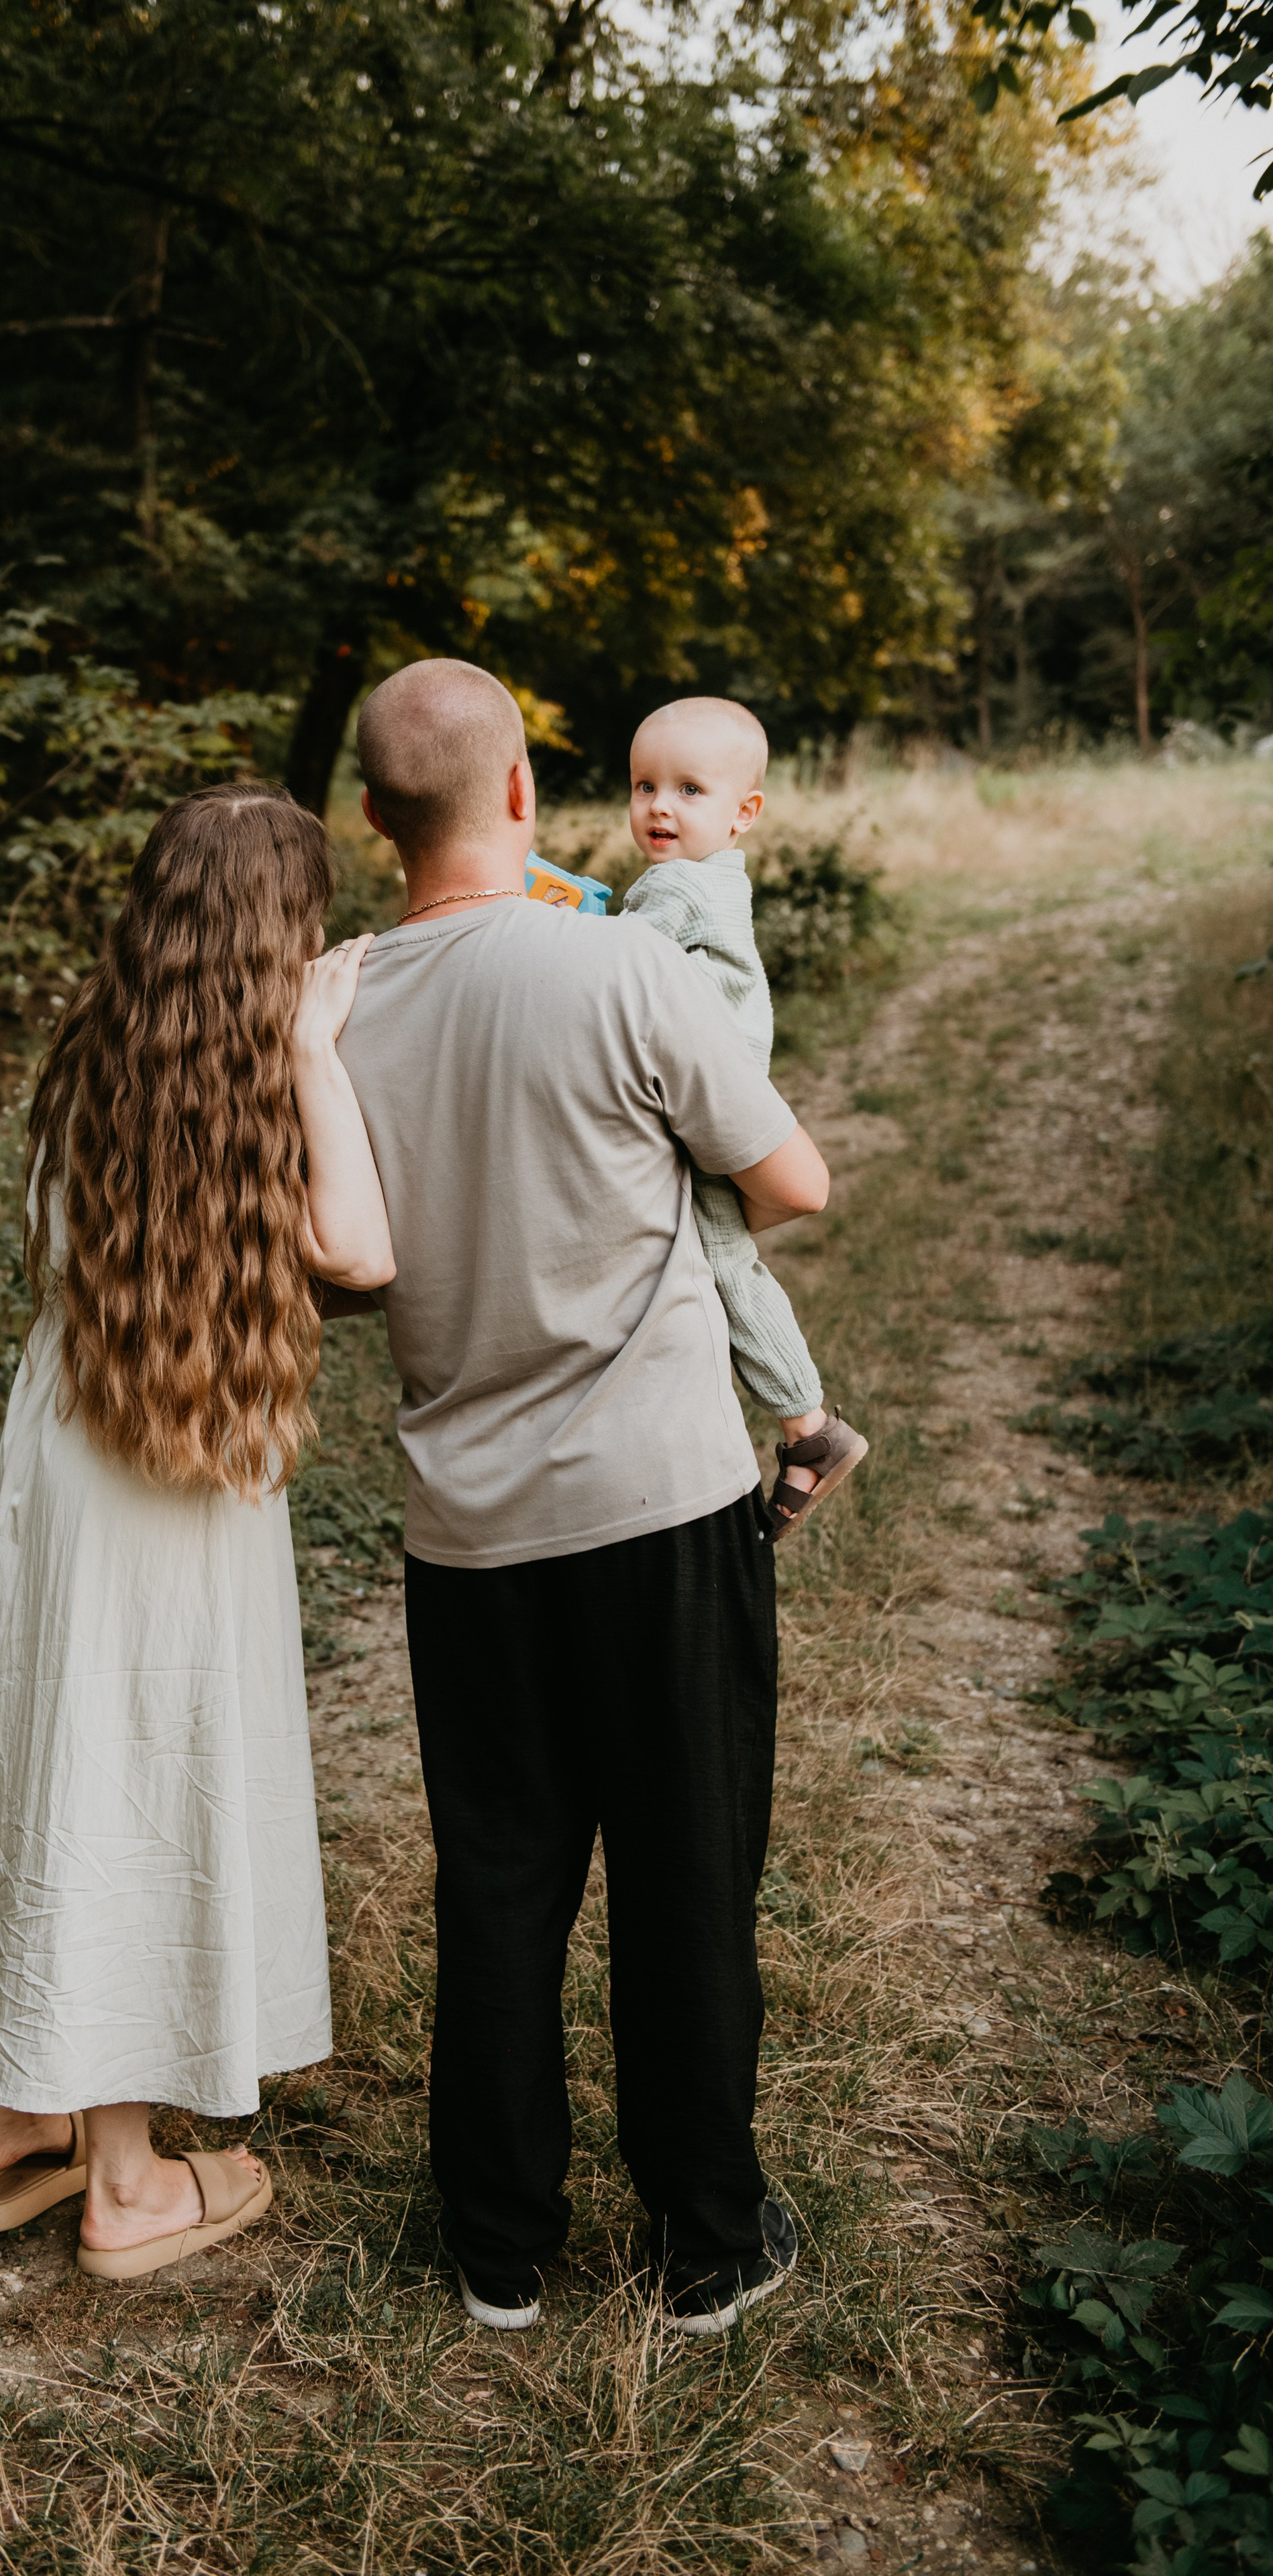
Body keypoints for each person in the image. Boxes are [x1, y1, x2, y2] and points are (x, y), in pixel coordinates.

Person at [334, 661, 830, 2338]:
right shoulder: (621, 960)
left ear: (372, 817)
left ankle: (496, 2243)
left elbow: (341, 1270)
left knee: (498, 1882)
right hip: (660, 1504)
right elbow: (789, 1179)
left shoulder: (336, 1006)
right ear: (527, 797)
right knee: (684, 1875)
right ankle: (704, 2239)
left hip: (462, 1533)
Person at [0, 784, 395, 2282]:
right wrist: (318, 1051)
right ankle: (128, 2184)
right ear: (287, 930)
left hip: (66, 1452)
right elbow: (360, 1251)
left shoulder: (101, 1039)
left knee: (69, 1765)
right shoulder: (263, 1068)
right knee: (138, 1788)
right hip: (167, 1493)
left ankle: (23, 2110)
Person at [622, 695, 867, 1538]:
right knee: (716, 1256)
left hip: (704, 1110)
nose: (659, 805)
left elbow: (619, 973)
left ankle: (810, 1429)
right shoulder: (718, 880)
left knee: (726, 1263)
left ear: (743, 813)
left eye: (689, 789)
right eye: (644, 785)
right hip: (718, 1096)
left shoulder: (677, 886)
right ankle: (793, 1424)